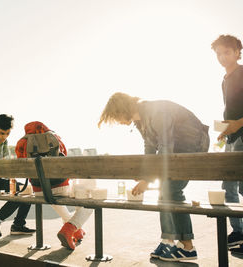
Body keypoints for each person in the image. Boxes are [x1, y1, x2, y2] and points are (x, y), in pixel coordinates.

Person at [98, 92, 209, 262]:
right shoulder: (140, 121)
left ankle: (180, 244)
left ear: (122, 109)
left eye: (116, 117)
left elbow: (165, 146)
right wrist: (145, 174)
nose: (119, 122)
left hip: (191, 146)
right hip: (176, 150)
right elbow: (150, 149)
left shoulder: (157, 112)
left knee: (169, 190)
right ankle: (176, 243)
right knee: (169, 191)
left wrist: (148, 179)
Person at [15, 121, 93, 250]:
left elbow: (20, 165)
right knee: (89, 203)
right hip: (60, 187)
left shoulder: (22, 142)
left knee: (54, 198)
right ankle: (70, 228)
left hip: (39, 190)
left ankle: (76, 230)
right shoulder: (53, 137)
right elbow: (64, 159)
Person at [211, 34, 243, 253]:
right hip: (232, 137)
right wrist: (224, 130)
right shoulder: (224, 79)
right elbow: (231, 110)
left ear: (238, 52)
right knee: (228, 186)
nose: (222, 57)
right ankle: (238, 232)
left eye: (227, 52)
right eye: (218, 53)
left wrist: (237, 124)